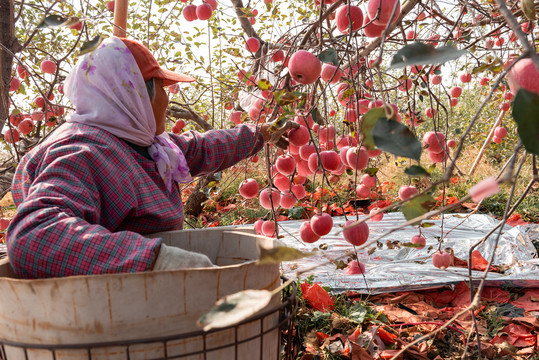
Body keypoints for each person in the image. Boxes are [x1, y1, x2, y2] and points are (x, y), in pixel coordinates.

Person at [6, 37, 297, 279]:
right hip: (111, 314)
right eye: (161, 89)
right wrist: (156, 260)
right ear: (136, 94)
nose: (168, 100)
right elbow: (35, 237)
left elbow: (202, 149)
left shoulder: (143, 144)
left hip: (143, 302)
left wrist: (262, 133)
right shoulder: (83, 152)